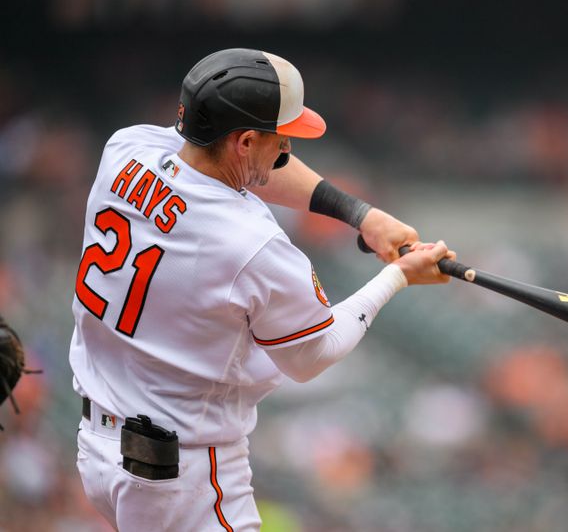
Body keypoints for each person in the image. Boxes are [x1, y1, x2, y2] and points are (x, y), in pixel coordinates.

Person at [70, 48, 454, 531]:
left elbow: (243, 168)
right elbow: (313, 354)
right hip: (183, 475)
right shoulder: (252, 244)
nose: (288, 150)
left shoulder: (128, 148)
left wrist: (364, 216)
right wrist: (398, 276)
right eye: (280, 138)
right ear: (246, 141)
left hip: (99, 447)